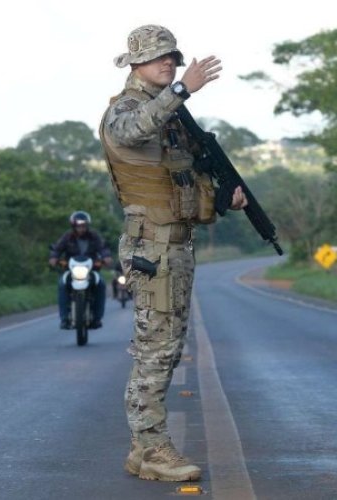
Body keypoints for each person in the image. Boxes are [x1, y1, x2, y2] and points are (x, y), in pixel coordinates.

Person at [99, 25, 248, 482]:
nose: (170, 63)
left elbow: (181, 188)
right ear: (136, 63)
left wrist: (221, 200)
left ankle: (144, 450)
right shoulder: (127, 109)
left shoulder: (172, 120)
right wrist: (183, 90)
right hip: (151, 246)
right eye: (160, 57)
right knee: (155, 350)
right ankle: (152, 448)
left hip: (175, 244)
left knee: (164, 346)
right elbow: (128, 132)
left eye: (173, 57)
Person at [48, 211, 113, 329]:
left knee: (101, 284)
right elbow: (57, 249)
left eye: (83, 226)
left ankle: (97, 318)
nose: (81, 228)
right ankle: (64, 319)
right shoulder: (67, 237)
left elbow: (103, 248)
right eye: (78, 226)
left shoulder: (94, 236)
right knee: (62, 284)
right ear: (73, 226)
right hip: (70, 270)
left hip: (91, 269)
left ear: (87, 225)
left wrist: (106, 257)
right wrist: (53, 257)